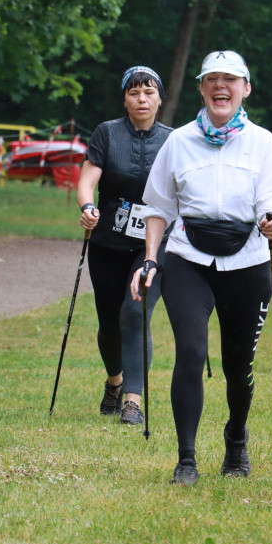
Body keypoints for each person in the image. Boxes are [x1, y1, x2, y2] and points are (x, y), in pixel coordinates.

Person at [130, 50, 272, 485]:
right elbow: (158, 209)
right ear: (202, 88)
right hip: (187, 260)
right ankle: (186, 460)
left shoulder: (264, 143)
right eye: (212, 79)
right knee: (192, 353)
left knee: (238, 366)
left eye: (230, 80)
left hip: (248, 261)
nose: (221, 86)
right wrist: (148, 260)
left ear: (245, 89)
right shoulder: (178, 142)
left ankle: (236, 439)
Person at [77, 66, 172, 425]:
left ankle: (133, 399)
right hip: (108, 242)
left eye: (149, 92)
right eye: (134, 93)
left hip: (154, 244)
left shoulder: (173, 140)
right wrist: (88, 207)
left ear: (159, 98)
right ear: (125, 99)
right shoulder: (107, 133)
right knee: (109, 323)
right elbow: (88, 180)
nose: (142, 99)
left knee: (135, 311)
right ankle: (114, 382)